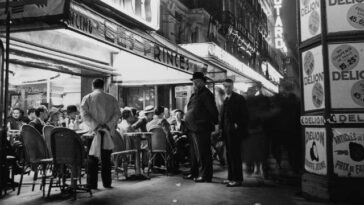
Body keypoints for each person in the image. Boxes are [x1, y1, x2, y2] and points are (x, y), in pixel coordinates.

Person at [81, 78, 121, 189]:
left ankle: (92, 184)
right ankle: (107, 183)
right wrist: (107, 125)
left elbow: (84, 115)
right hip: (107, 132)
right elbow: (117, 114)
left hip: (93, 133)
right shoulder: (112, 98)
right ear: (104, 86)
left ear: (93, 86)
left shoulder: (87, 98)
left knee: (92, 159)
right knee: (106, 159)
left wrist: (96, 126)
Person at [184, 72, 219, 183]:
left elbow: (213, 111)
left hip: (201, 128)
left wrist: (215, 125)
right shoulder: (196, 93)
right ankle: (194, 172)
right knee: (194, 153)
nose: (195, 83)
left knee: (203, 152)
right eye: (194, 82)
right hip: (192, 127)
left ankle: (206, 175)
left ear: (203, 82)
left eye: (197, 81)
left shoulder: (206, 94)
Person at [220, 79, 249, 187]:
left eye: (229, 86)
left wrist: (237, 125)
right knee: (229, 155)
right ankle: (231, 177)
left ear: (232, 87)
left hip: (235, 133)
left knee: (235, 156)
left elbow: (245, 115)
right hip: (227, 132)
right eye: (225, 86)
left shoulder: (239, 98)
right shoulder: (226, 99)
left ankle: (237, 179)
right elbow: (223, 116)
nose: (227, 88)